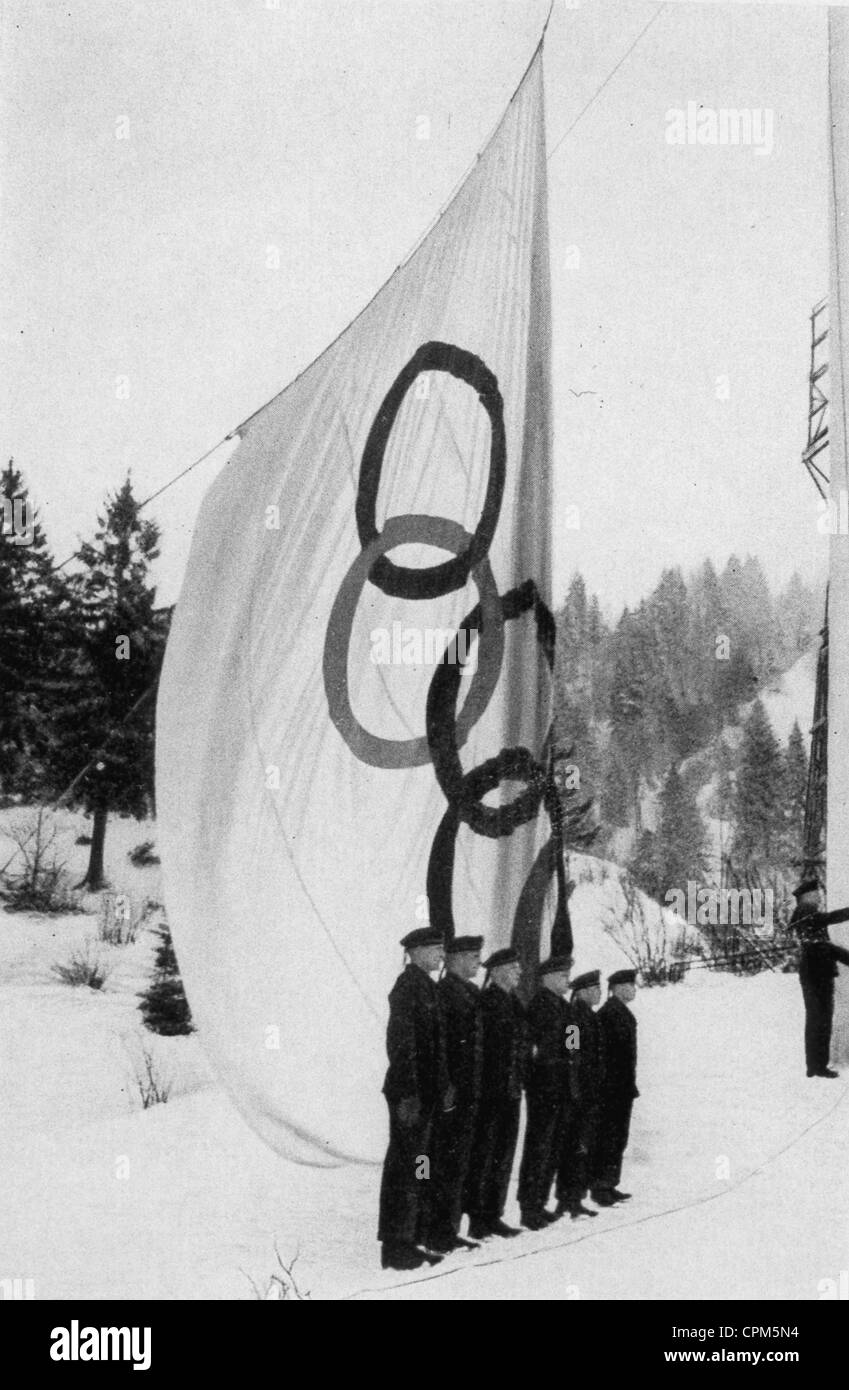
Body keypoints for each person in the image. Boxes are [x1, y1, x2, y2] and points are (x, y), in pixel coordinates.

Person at [377, 926, 449, 1271]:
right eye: (435, 949)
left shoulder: (427, 987)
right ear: (417, 951)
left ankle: (412, 1238)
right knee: (407, 1168)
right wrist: (409, 1093)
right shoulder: (407, 987)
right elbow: (401, 1045)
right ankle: (396, 1245)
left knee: (420, 1166)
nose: (440, 954)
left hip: (425, 1094)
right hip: (411, 1095)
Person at [424, 935, 485, 1254]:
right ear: (455, 958)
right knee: (445, 1163)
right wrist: (447, 1087)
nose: (477, 962)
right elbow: (443, 1045)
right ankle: (438, 1231)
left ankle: (450, 1227)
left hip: (470, 1091)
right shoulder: (446, 992)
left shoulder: (470, 991)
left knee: (460, 1163)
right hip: (454, 1093)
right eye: (472, 956)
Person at [466, 946, 527, 1240]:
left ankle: (493, 1214)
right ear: (500, 971)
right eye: (514, 968)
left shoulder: (512, 1002)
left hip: (511, 1091)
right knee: (486, 1155)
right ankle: (479, 1218)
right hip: (492, 1092)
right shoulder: (489, 1001)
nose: (520, 973)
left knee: (503, 1155)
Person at [517, 952, 575, 1230]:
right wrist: (535, 1080)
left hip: (561, 1086)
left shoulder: (563, 1006)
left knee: (552, 1147)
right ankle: (529, 1207)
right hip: (544, 1087)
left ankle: (539, 1202)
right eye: (563, 976)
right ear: (548, 978)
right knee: (539, 1147)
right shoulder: (540, 1006)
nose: (568, 980)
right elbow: (531, 1050)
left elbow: (572, 1045)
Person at [789, 877, 849, 1078]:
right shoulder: (806, 913)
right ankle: (817, 1066)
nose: (818, 898)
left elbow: (824, 941)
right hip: (816, 974)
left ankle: (815, 1065)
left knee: (818, 1020)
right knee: (819, 1020)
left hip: (816, 973)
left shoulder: (806, 915)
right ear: (806, 897)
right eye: (815, 895)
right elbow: (828, 924)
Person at [556, 968, 603, 1219]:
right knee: (576, 1147)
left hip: (589, 1091)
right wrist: (575, 1091)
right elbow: (571, 1055)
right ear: (582, 992)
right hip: (580, 1093)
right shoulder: (575, 1018)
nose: (599, 993)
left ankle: (575, 1196)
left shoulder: (588, 1016)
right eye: (594, 989)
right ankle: (569, 1198)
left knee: (583, 1146)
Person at [591, 968, 638, 1208]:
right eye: (630, 985)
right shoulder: (609, 1014)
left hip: (622, 1087)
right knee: (608, 1137)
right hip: (610, 1088)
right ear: (618, 988)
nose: (634, 989)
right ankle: (600, 1185)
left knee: (618, 1136)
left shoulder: (620, 1012)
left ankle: (609, 1182)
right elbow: (600, 1053)